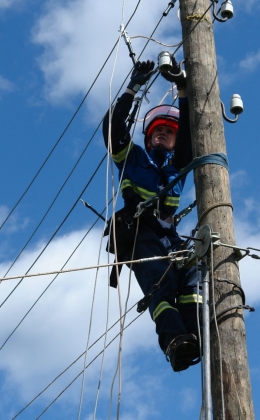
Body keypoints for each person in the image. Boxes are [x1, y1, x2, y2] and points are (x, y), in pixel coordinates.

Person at [102, 58, 201, 372]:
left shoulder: (176, 168)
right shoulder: (132, 159)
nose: (162, 135)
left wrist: (183, 90)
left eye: (167, 133)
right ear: (147, 138)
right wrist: (133, 87)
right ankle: (174, 342)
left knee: (191, 282)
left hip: (170, 236)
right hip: (140, 234)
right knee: (161, 284)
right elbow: (112, 128)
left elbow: (188, 136)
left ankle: (196, 338)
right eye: (157, 131)